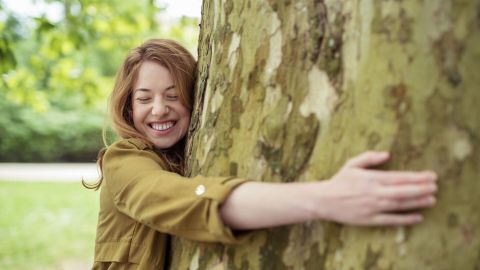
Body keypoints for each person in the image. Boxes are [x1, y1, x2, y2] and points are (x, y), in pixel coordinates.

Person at [85, 39, 438, 269]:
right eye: (144, 98)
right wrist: (327, 198)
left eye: (174, 94)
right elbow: (177, 199)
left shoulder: (190, 156)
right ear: (129, 108)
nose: (159, 109)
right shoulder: (123, 160)